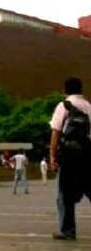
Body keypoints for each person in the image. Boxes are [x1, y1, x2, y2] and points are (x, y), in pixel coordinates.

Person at [49, 77, 91, 240]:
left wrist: (53, 156)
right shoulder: (88, 106)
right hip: (87, 154)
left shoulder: (64, 105)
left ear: (66, 90)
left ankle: (67, 230)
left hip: (69, 156)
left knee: (65, 194)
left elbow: (56, 132)